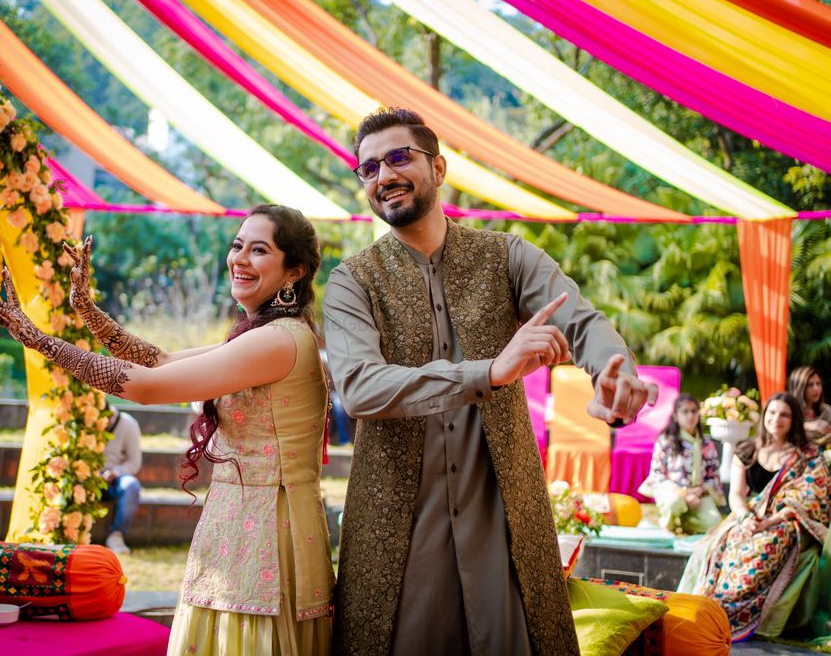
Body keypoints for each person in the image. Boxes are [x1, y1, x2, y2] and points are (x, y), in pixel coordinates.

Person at [322, 107, 658, 656]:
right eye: (369, 168)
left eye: (400, 157)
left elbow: (580, 319)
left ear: (440, 166)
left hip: (502, 516)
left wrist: (612, 373)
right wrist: (490, 372)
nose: (384, 175)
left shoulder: (507, 256)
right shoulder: (352, 280)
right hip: (398, 528)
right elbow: (360, 387)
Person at [0, 204, 334, 655]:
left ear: (294, 272)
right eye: (237, 245)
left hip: (268, 528)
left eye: (259, 249)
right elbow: (162, 361)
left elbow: (146, 387)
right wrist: (87, 309)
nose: (239, 258)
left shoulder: (278, 339)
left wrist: (42, 341)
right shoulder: (266, 333)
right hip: (242, 518)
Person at [679, 393, 831, 641]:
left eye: (784, 414)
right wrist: (745, 517)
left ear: (793, 419)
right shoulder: (748, 449)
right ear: (764, 417)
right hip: (749, 514)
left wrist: (773, 520)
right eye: (771, 413)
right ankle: (714, 604)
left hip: (786, 520)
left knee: (769, 543)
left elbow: (812, 497)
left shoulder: (806, 456)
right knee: (733, 540)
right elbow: (737, 495)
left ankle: (732, 610)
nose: (777, 419)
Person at [638, 394, 724, 534]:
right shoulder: (666, 441)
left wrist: (700, 490)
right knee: (675, 502)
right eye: (685, 411)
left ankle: (686, 521)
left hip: (698, 495)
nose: (690, 416)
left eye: (694, 411)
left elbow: (713, 475)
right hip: (673, 492)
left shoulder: (707, 444)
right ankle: (668, 524)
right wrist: (684, 493)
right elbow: (657, 473)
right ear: (676, 416)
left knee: (713, 524)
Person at [101, 405, 142, 555]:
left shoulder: (128, 423)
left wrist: (115, 472)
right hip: (86, 477)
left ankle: (116, 535)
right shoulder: (83, 420)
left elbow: (134, 462)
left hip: (114, 480)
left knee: (132, 485)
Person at [788, 365, 831, 447]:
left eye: (818, 384)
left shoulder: (827, 411)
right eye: (810, 385)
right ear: (800, 388)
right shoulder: (788, 411)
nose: (816, 388)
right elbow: (782, 429)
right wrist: (809, 425)